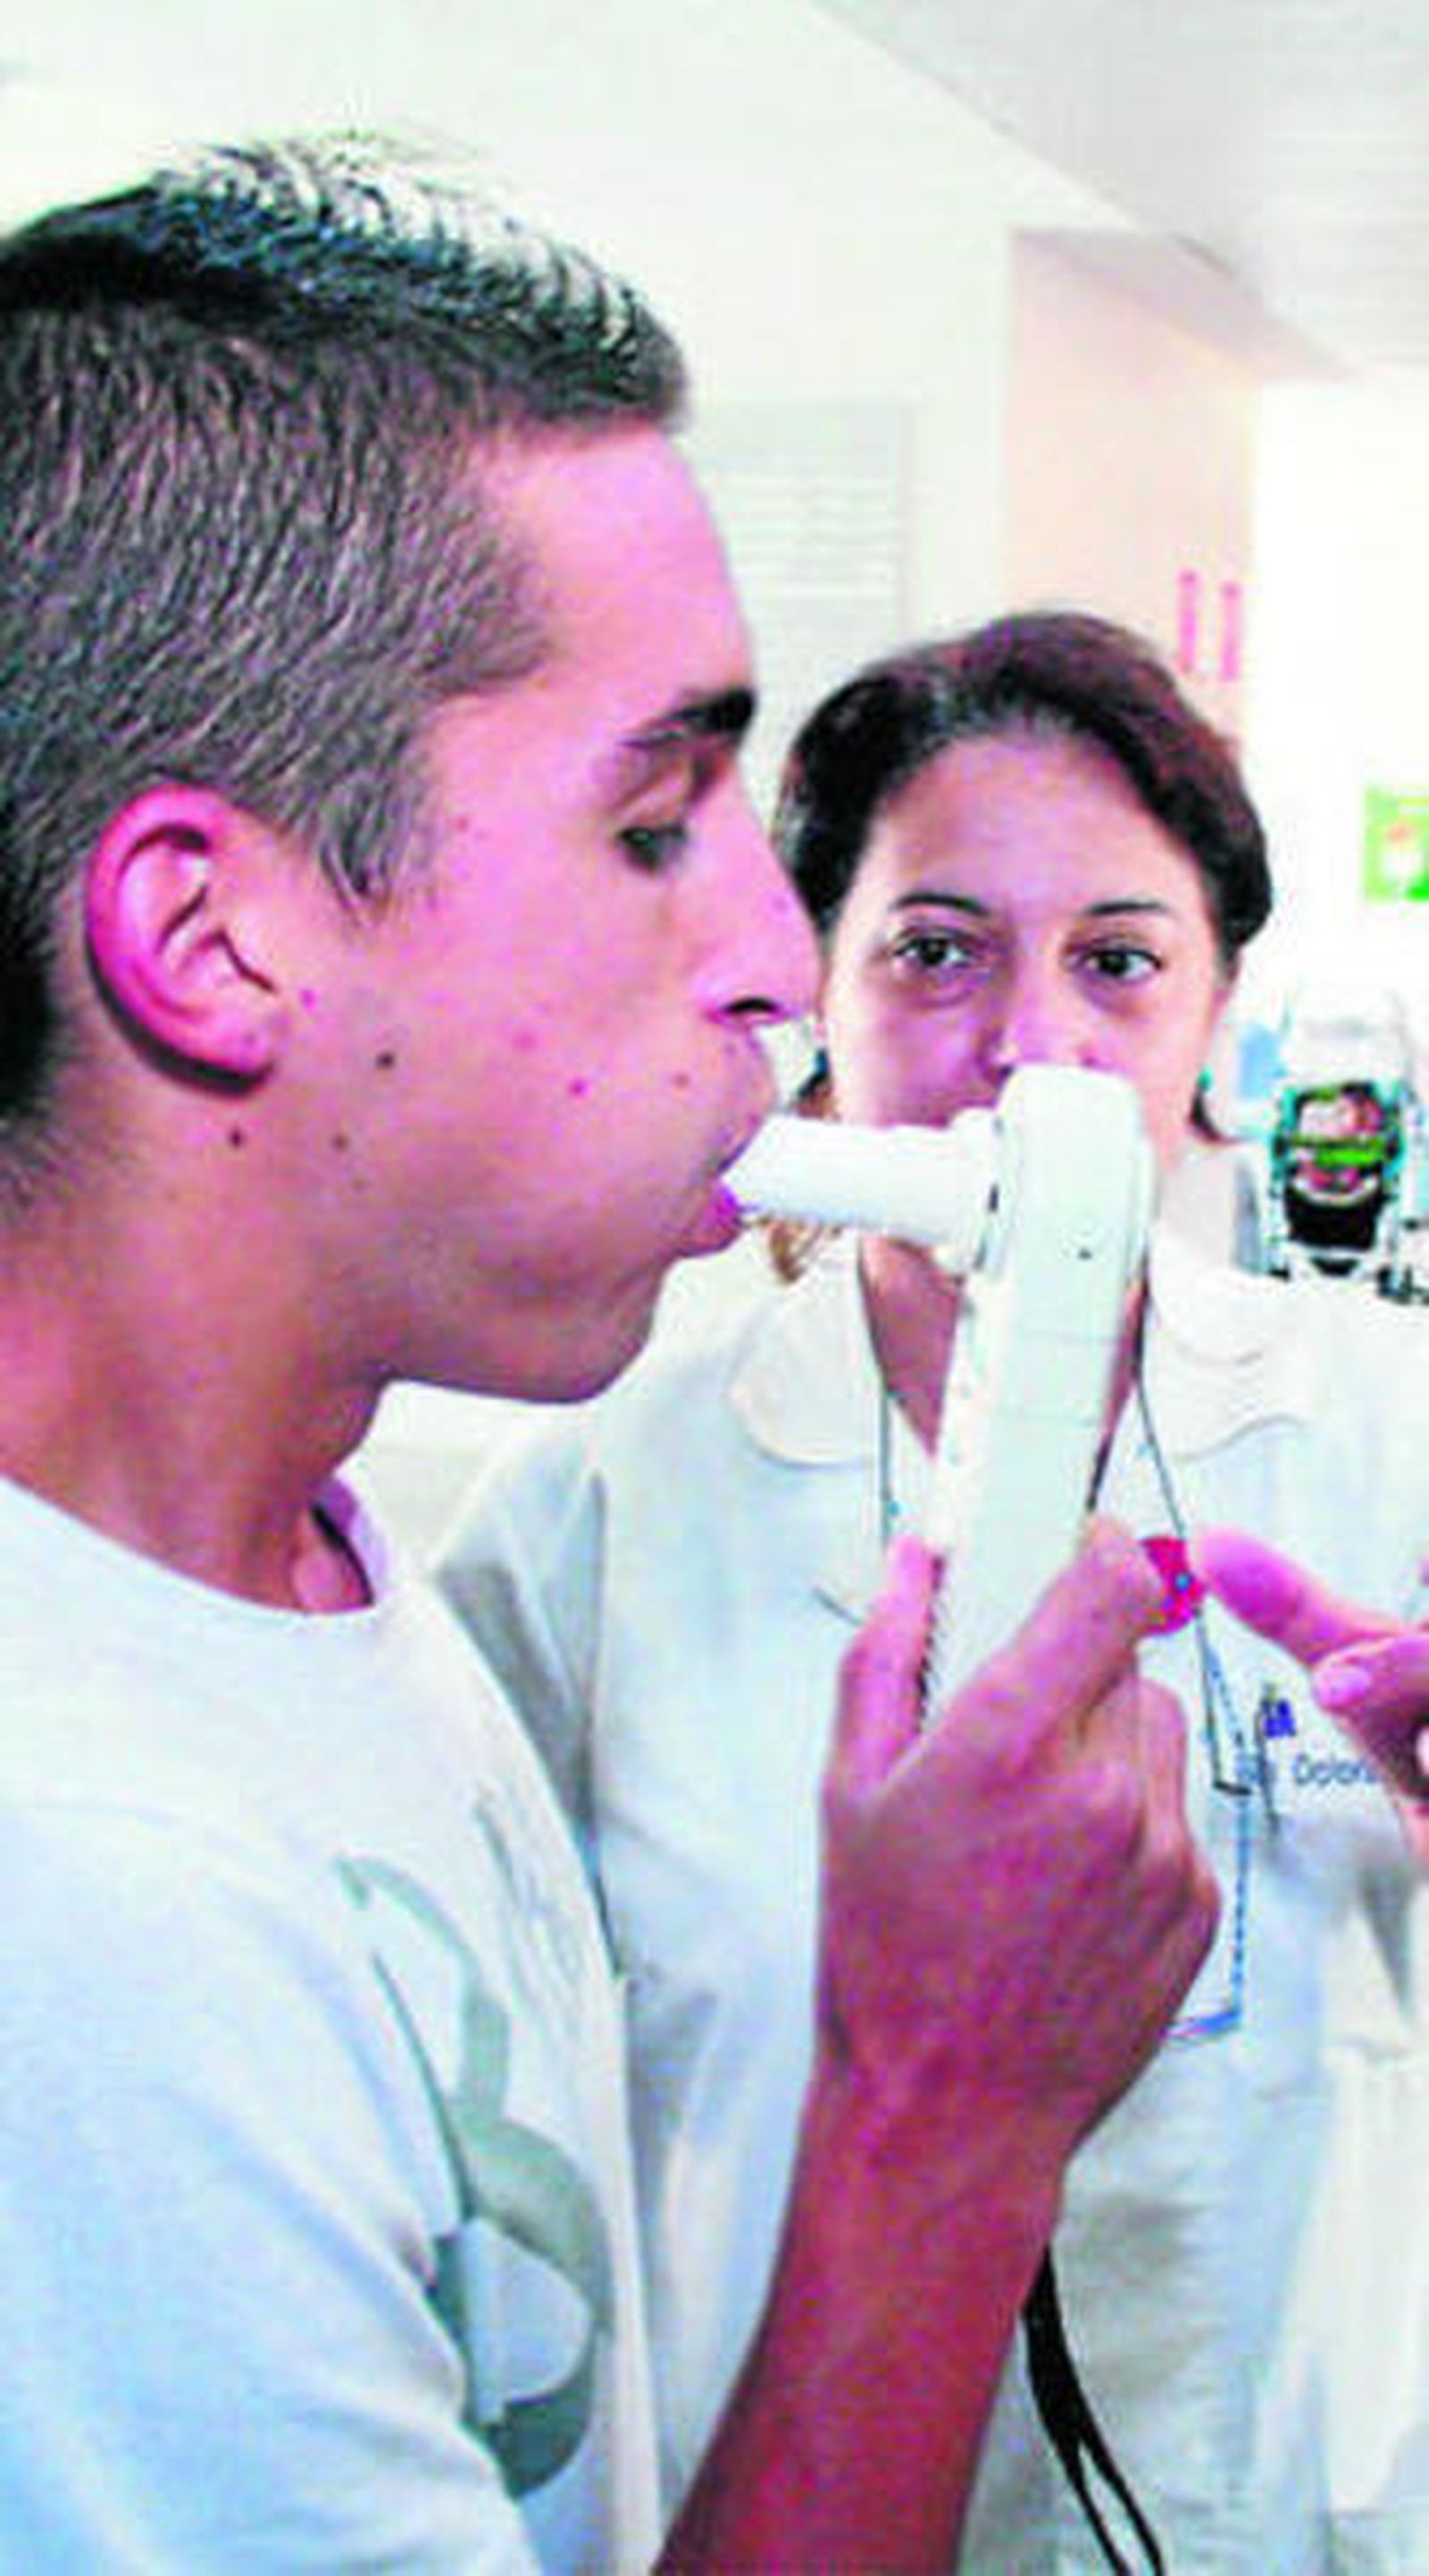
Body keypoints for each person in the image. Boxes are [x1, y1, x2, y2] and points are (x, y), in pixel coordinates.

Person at [0, 149, 1219, 2572]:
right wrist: (941, 2108)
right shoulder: (78, 1914)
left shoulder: (313, 1582)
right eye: (660, 823)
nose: (782, 963)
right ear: (210, 938)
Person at [439, 615, 1429, 2571]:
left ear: (1217, 1013)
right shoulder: (599, 1504)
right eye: (934, 950)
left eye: (1119, 965)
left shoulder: (1379, 1439)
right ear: (813, 986)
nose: (1028, 1045)